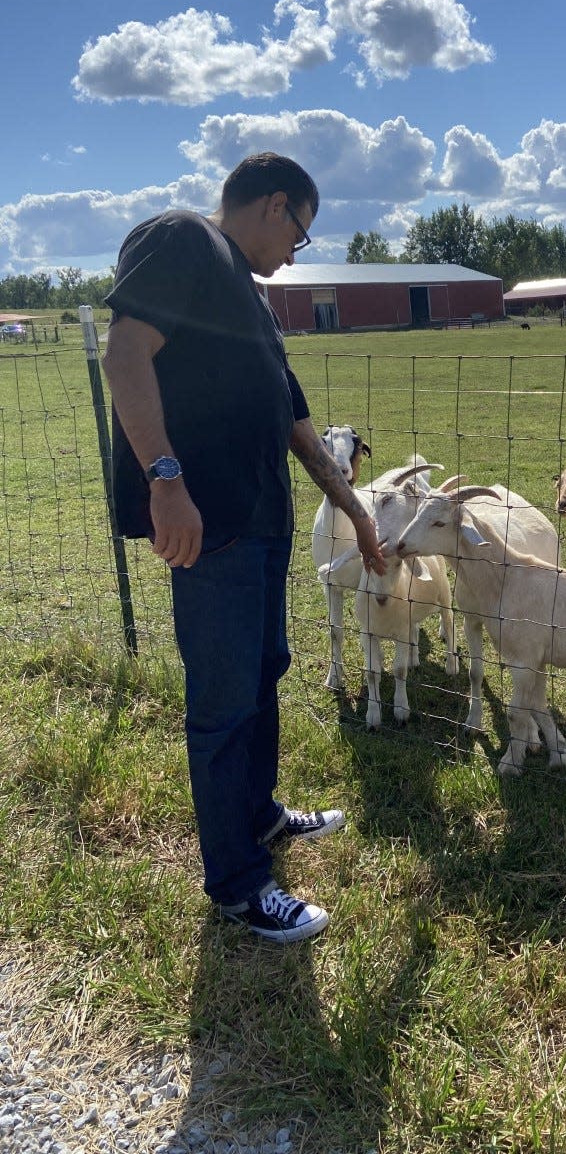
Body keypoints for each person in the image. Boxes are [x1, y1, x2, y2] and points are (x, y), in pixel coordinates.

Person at [102, 152, 386, 944]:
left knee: (264, 671)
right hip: (210, 519)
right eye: (301, 230)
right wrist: (166, 479)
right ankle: (236, 883)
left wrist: (356, 512)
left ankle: (257, 817)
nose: (298, 250)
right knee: (224, 700)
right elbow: (124, 354)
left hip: (263, 519)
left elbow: (296, 421)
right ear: (273, 205)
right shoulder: (184, 239)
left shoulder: (252, 301)